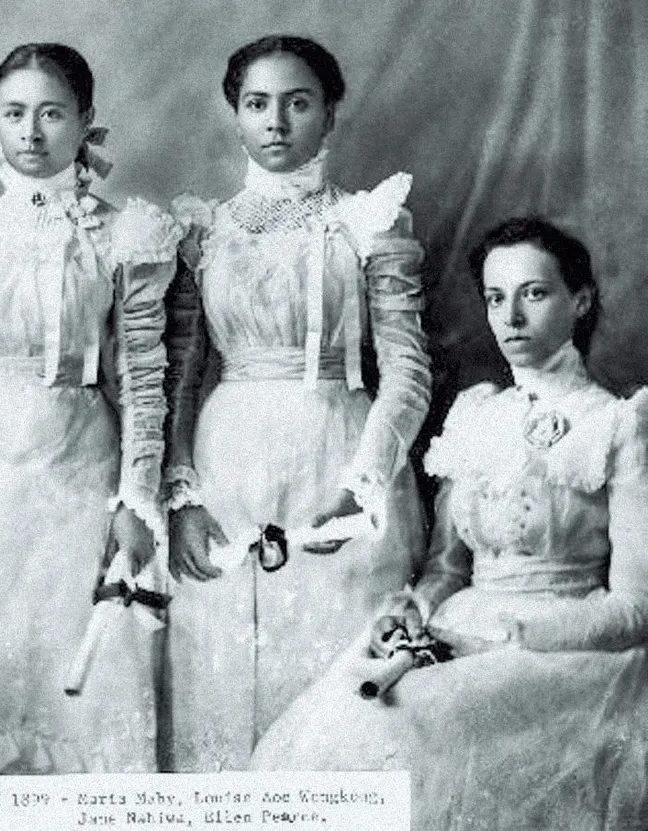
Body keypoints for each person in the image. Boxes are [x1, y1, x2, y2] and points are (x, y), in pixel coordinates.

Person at [252, 217, 648, 831]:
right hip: (461, 627)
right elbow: (446, 567)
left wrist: (513, 638)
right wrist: (414, 609)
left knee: (421, 725)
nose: (510, 317)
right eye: (495, 298)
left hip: (565, 648)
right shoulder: (477, 413)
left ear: (582, 301)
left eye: (534, 294)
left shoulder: (619, 425)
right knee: (343, 717)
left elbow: (637, 608)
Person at [0, 42, 181, 774]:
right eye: (14, 113)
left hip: (78, 463)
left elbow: (144, 377)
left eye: (51, 113)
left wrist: (137, 500)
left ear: (86, 122)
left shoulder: (125, 233)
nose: (31, 132)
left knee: (71, 680)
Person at [162, 34, 431, 771]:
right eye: (257, 104)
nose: (276, 121)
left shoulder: (370, 219)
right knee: (222, 685)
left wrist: (364, 484)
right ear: (236, 117)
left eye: (297, 102)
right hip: (227, 467)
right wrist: (181, 492)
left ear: (329, 114)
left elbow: (406, 370)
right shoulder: (204, 231)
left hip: (336, 454)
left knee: (328, 697)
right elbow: (182, 373)